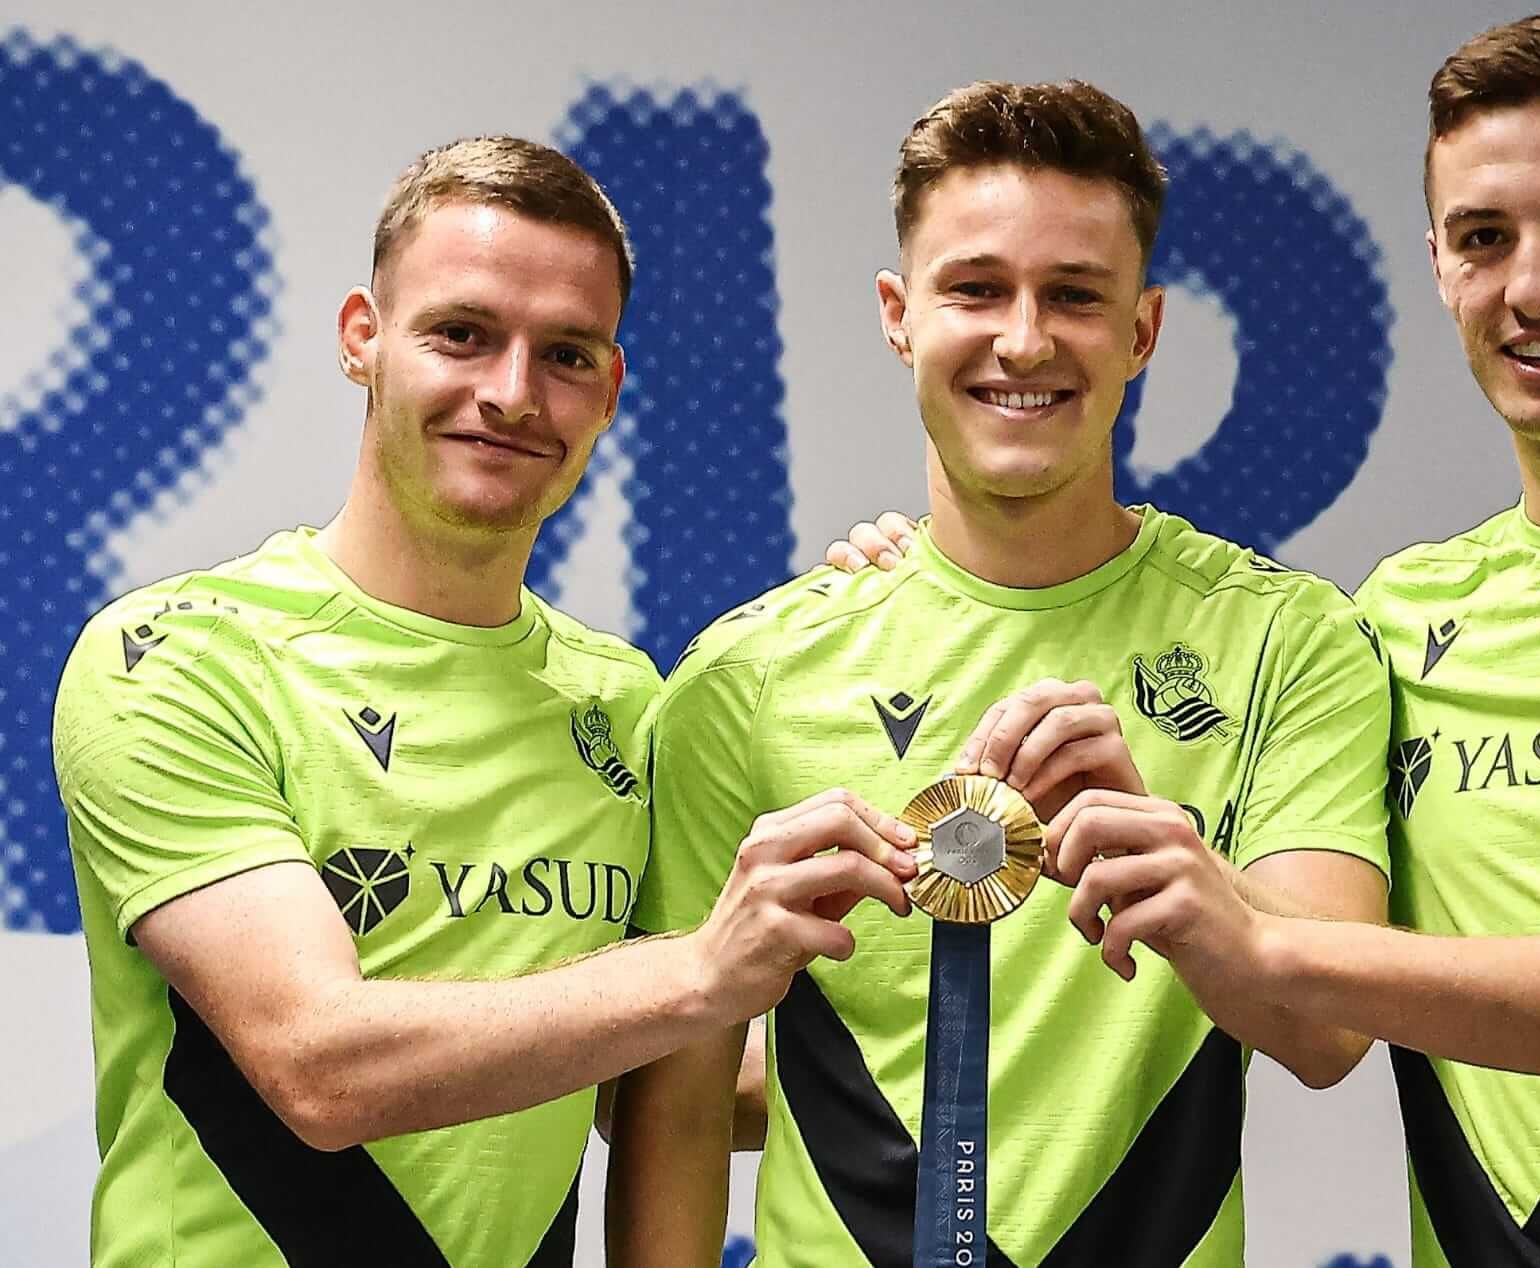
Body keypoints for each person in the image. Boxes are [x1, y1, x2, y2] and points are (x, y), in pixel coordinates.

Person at [836, 15, 1540, 1267]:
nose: (1533, 284)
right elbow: (1299, 992)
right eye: (1483, 237)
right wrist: (920, 580)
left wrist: (1262, 935)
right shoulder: (1388, 622)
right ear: (1440, 266)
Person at [51, 136, 914, 1268]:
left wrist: (894, 627)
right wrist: (704, 968)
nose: (510, 393)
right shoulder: (176, 656)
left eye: (564, 353)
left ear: (608, 390)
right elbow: (322, 1064)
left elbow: (647, 1080)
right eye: (460, 333)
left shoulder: (623, 699)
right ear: (364, 338)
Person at [606, 80, 1392, 1266]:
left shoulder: (1288, 639)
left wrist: (1173, 859)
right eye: (975, 288)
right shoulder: (746, 672)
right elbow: (672, 1099)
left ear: (1141, 330)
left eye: (1073, 295)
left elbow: (1331, 1030)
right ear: (897, 313)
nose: (1023, 338)